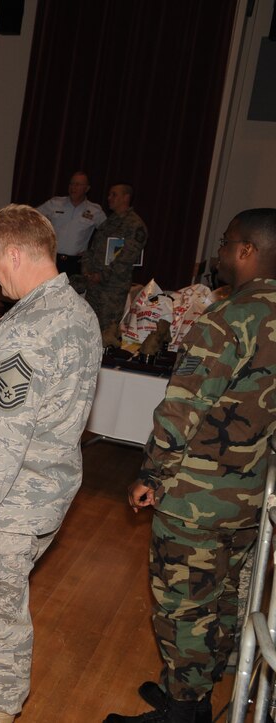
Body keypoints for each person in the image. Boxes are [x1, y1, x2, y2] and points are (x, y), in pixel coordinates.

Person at [105, 209, 276, 723]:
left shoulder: (230, 316)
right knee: (221, 596)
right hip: (249, 498)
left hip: (196, 497)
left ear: (247, 250)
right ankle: (197, 685)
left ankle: (185, 711)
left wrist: (151, 473)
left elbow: (182, 408)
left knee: (183, 605)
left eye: (226, 244)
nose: (219, 254)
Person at [0, 204, 101, 723]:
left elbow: (5, 435)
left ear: (14, 252)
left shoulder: (30, 329)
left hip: (9, 504)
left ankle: (0, 710)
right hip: (44, 487)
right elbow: (41, 414)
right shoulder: (75, 311)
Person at [74, 183, 148, 332]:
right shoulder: (108, 222)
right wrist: (87, 270)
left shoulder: (134, 225)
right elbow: (93, 249)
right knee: (89, 330)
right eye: (109, 194)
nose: (109, 198)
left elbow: (126, 259)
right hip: (94, 286)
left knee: (107, 333)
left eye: (114, 194)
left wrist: (102, 275)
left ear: (126, 197)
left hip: (112, 290)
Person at [36, 171, 107, 276]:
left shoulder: (94, 210)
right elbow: (32, 217)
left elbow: (108, 233)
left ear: (87, 189)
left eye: (77, 184)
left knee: (73, 292)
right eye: (71, 184)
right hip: (52, 260)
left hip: (76, 263)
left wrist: (93, 253)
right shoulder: (55, 203)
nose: (73, 187)